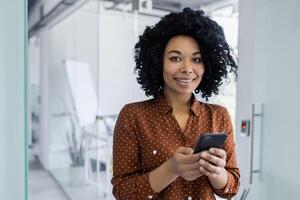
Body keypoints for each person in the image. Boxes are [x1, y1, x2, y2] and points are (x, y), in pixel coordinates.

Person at [111, 7, 240, 200]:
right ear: (157, 61)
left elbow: (232, 188)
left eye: (196, 59)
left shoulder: (219, 116)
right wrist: (171, 169)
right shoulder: (133, 116)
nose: (187, 68)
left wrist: (217, 173)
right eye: (175, 58)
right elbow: (122, 192)